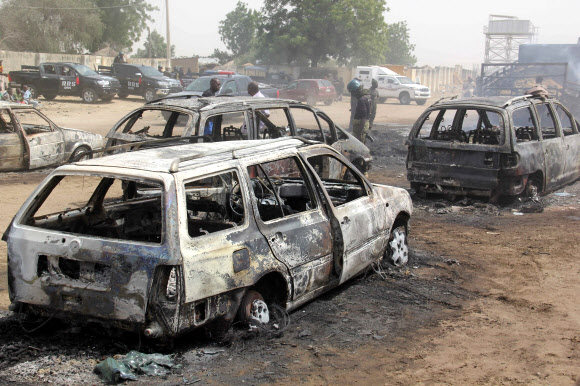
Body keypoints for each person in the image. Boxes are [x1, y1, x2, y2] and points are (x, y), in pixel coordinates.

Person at [348, 78, 371, 144]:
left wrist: (359, 133)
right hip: (364, 125)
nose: (352, 94)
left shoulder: (362, 100)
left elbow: (363, 117)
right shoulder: (367, 97)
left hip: (360, 127)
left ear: (356, 91)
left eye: (352, 92)